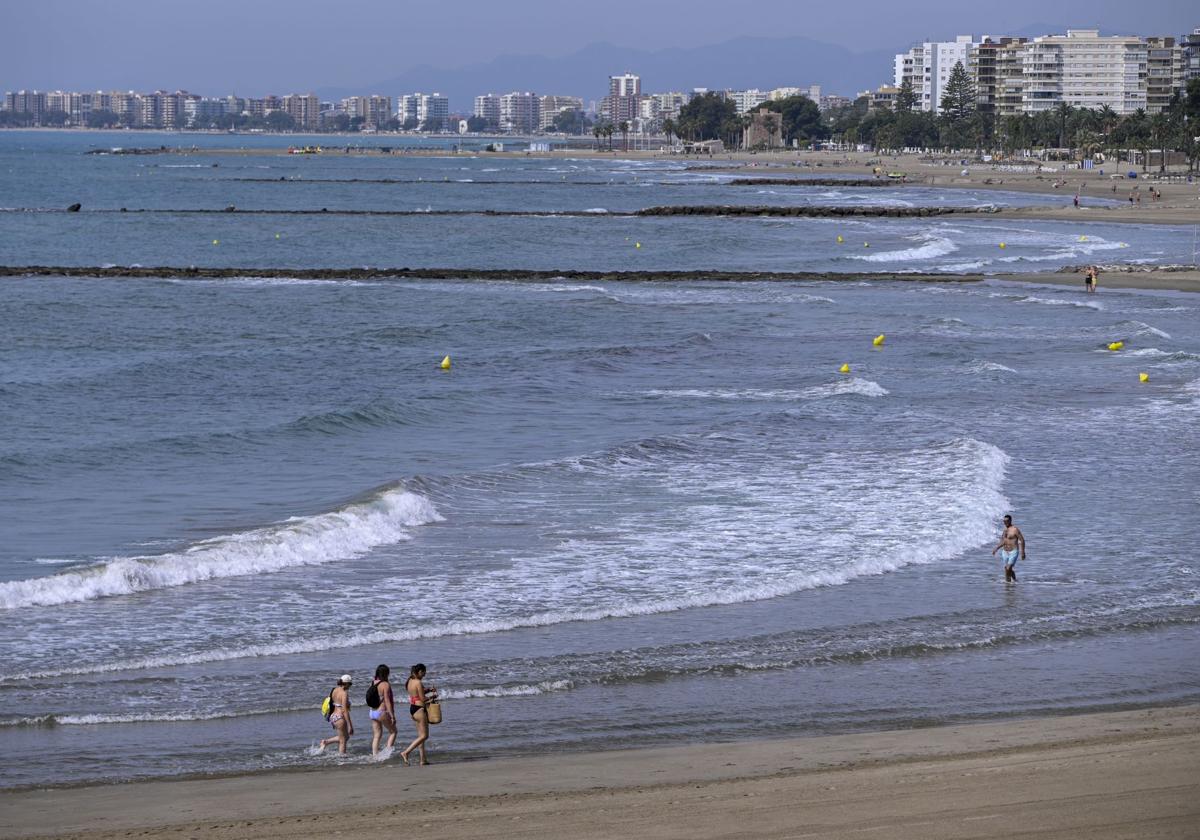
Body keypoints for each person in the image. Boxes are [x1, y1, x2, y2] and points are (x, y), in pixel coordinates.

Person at [399, 663, 438, 766]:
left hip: (412, 709)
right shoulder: (418, 682)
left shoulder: (409, 681)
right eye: (424, 673)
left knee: (420, 736)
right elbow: (423, 699)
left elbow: (417, 693)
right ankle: (406, 752)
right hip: (420, 709)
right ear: (420, 671)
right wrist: (433, 696)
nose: (424, 675)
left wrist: (429, 690)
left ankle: (423, 760)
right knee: (424, 736)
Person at [318, 674, 354, 754]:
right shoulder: (344, 693)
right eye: (350, 684)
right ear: (346, 683)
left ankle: (326, 742)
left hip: (333, 716)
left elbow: (333, 702)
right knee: (343, 741)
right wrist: (350, 725)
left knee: (345, 737)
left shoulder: (334, 690)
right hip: (340, 717)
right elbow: (344, 710)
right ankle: (342, 760)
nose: (350, 686)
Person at [367, 664, 397, 755]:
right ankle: (387, 753)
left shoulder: (373, 682)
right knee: (393, 732)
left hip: (372, 712)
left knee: (377, 735)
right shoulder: (385, 684)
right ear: (386, 673)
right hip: (381, 712)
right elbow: (387, 701)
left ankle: (375, 755)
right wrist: (392, 716)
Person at [991, 515, 1026, 583]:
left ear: (1010, 521)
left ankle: (1007, 584)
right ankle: (1014, 581)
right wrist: (996, 548)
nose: (1005, 522)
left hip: (1013, 551)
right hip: (1005, 552)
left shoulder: (1015, 529)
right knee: (1008, 569)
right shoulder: (1005, 530)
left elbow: (1022, 540)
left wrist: (1023, 552)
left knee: (1008, 568)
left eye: (1006, 521)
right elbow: (1003, 541)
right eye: (1004, 521)